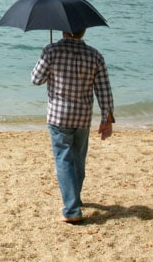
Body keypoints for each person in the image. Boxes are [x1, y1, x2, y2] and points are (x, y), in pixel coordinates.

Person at [31, 29, 114, 223]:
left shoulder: (52, 50)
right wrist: (106, 118)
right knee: (77, 159)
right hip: (82, 117)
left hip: (59, 116)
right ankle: (75, 198)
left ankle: (72, 210)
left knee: (63, 160)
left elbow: (36, 79)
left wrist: (50, 61)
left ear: (63, 30)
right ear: (83, 31)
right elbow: (103, 88)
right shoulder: (94, 55)